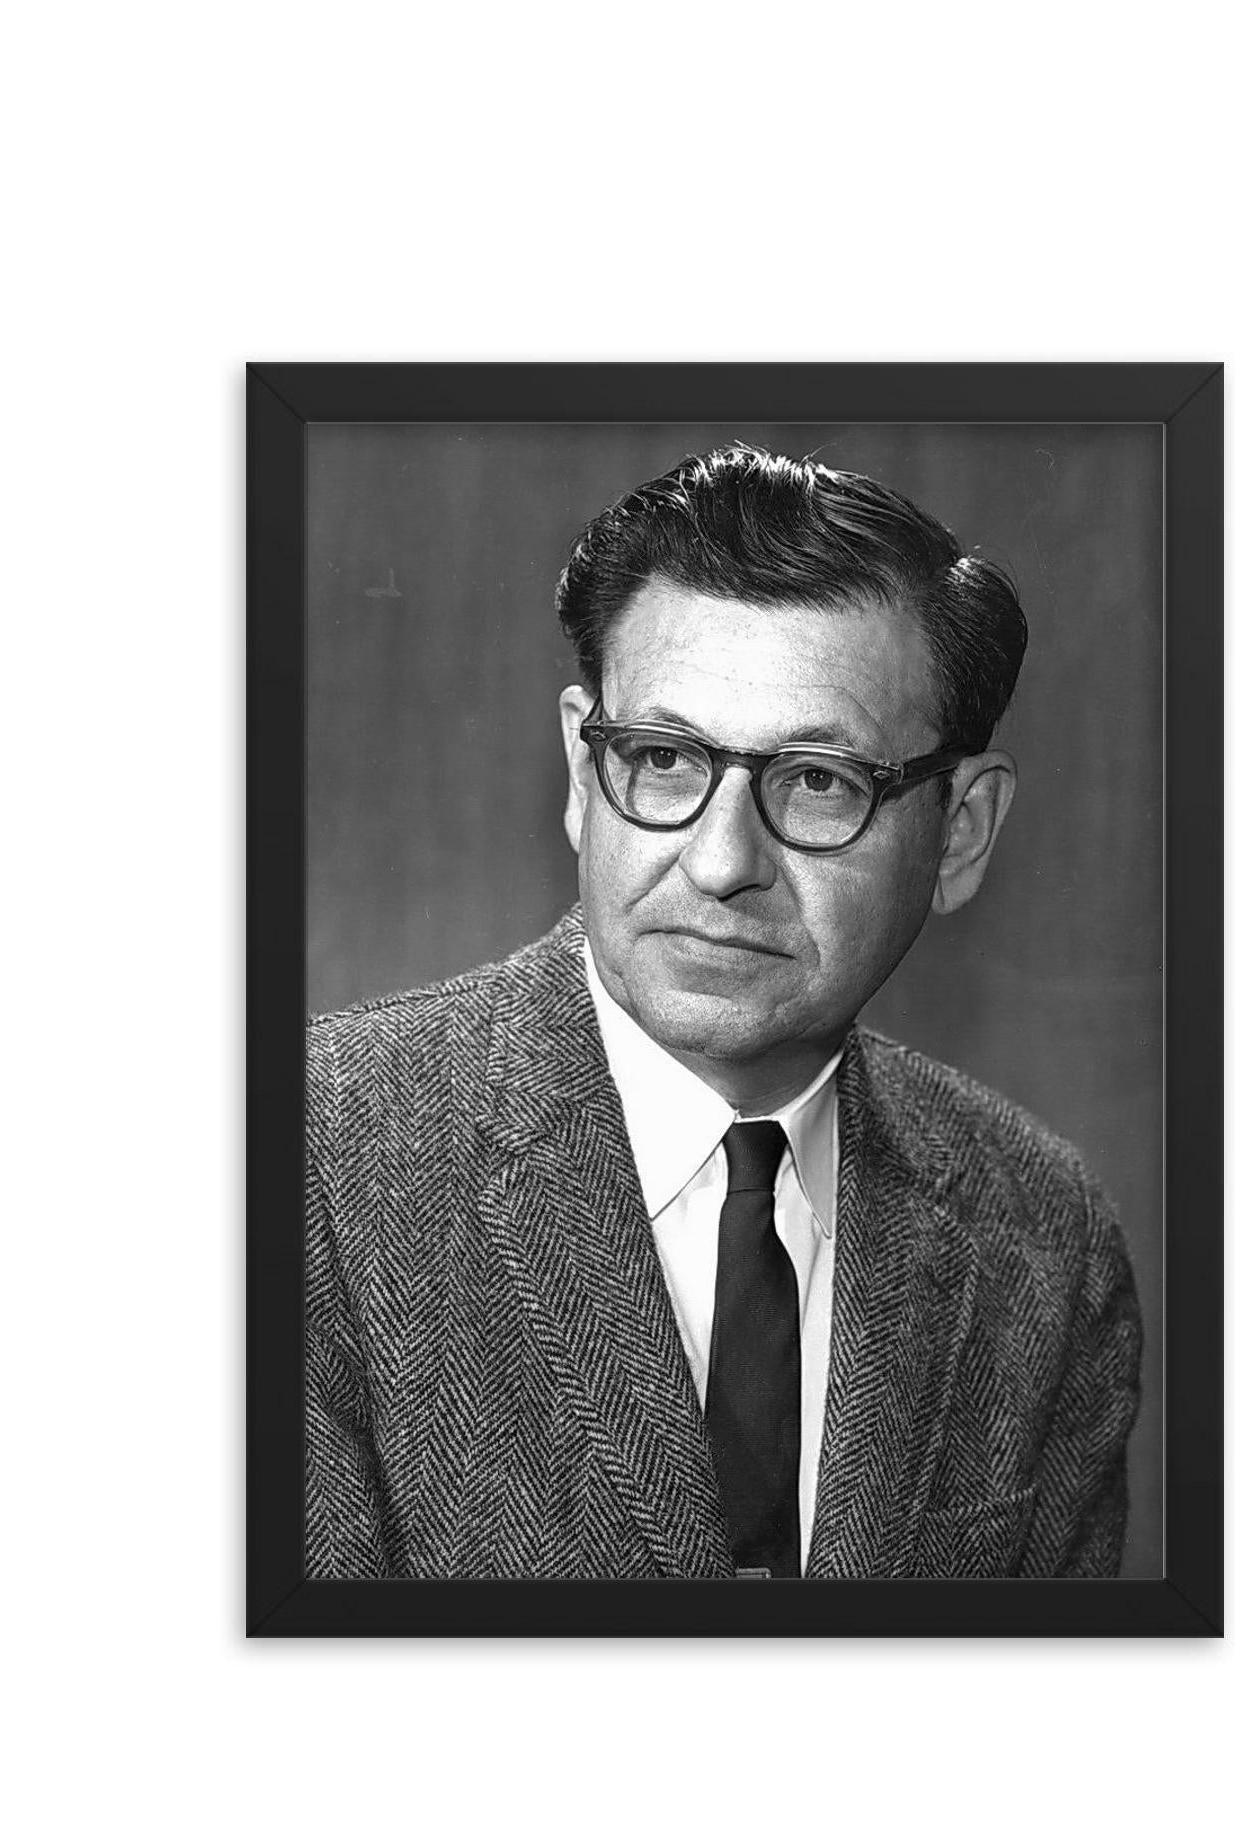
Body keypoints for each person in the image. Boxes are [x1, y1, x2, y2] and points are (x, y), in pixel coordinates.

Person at [304, 443, 1142, 1580]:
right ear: (581, 771)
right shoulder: (310, 1158)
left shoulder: (1045, 1237)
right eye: (662, 758)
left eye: (817, 780)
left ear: (960, 832)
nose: (719, 862)